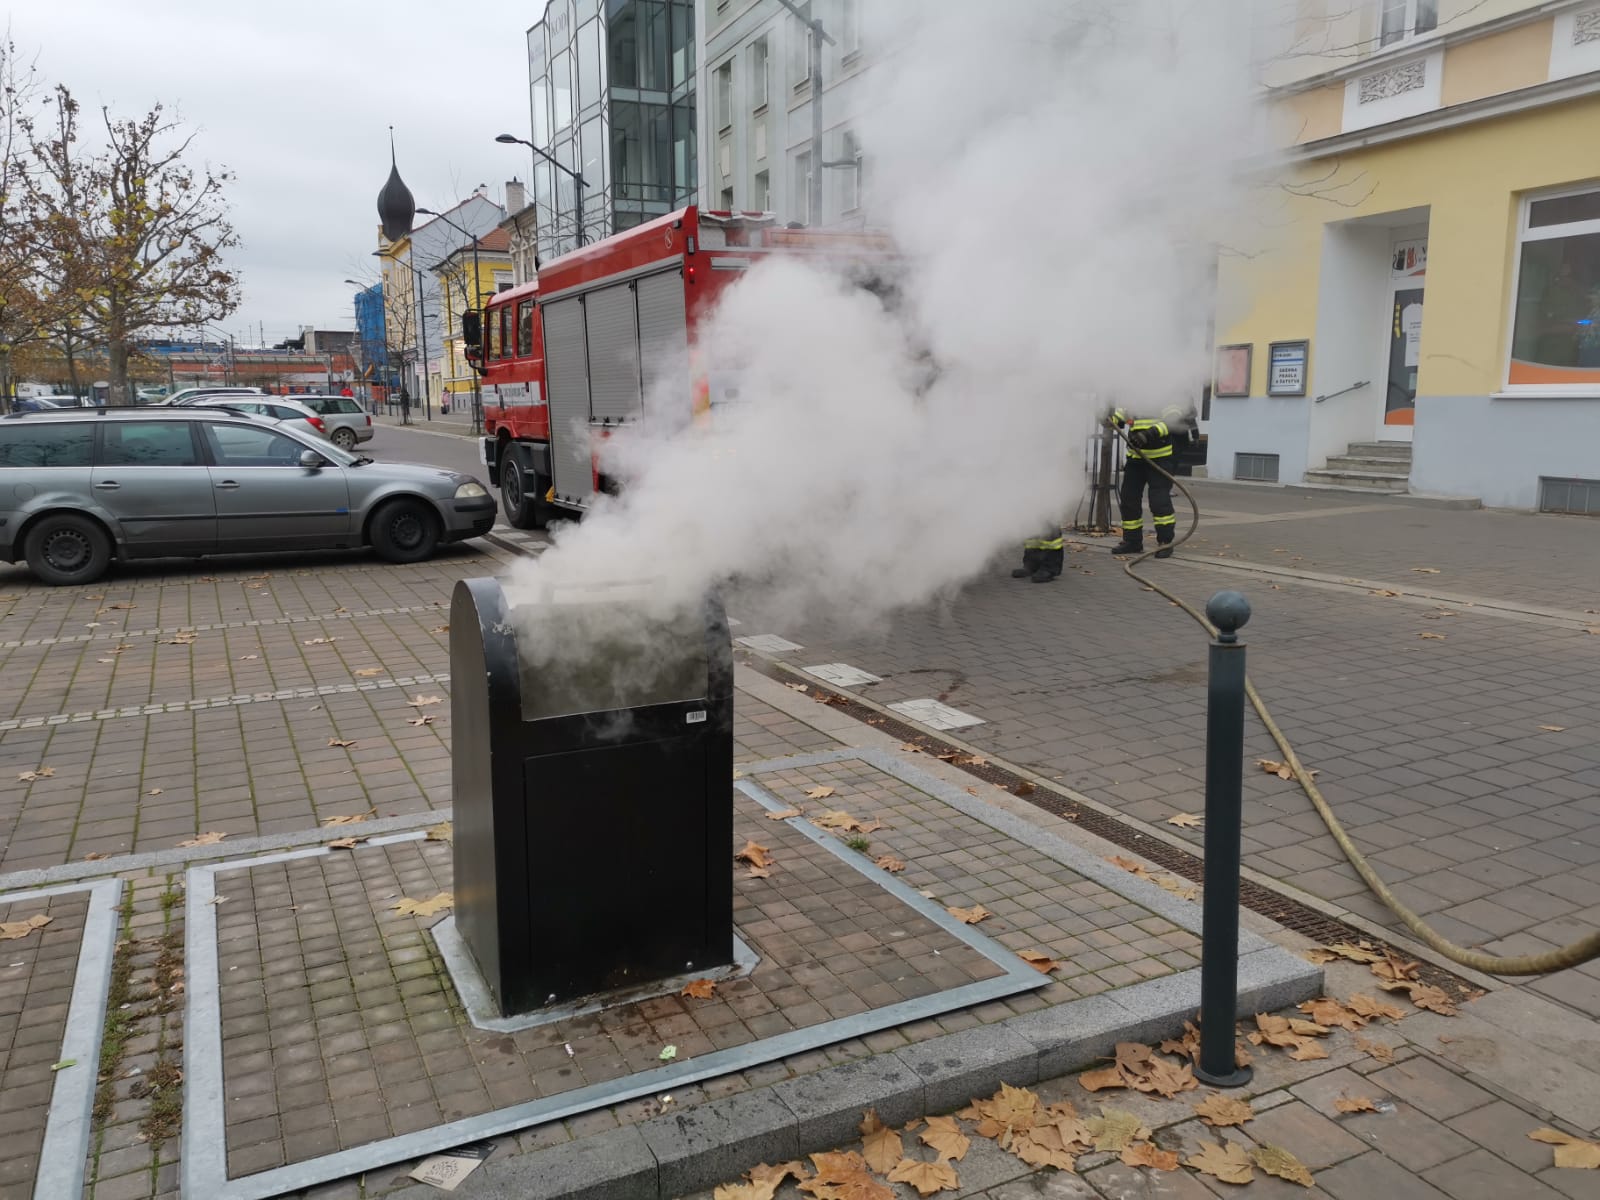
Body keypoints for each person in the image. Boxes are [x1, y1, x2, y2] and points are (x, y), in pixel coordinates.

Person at [1107, 403, 1195, 559]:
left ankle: (1165, 542)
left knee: (1159, 501)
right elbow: (1120, 416)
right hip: (1136, 458)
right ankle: (1132, 541)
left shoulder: (1164, 396)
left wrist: (1149, 434)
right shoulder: (1137, 397)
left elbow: (1171, 422)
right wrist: (1107, 417)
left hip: (1160, 458)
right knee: (1128, 500)